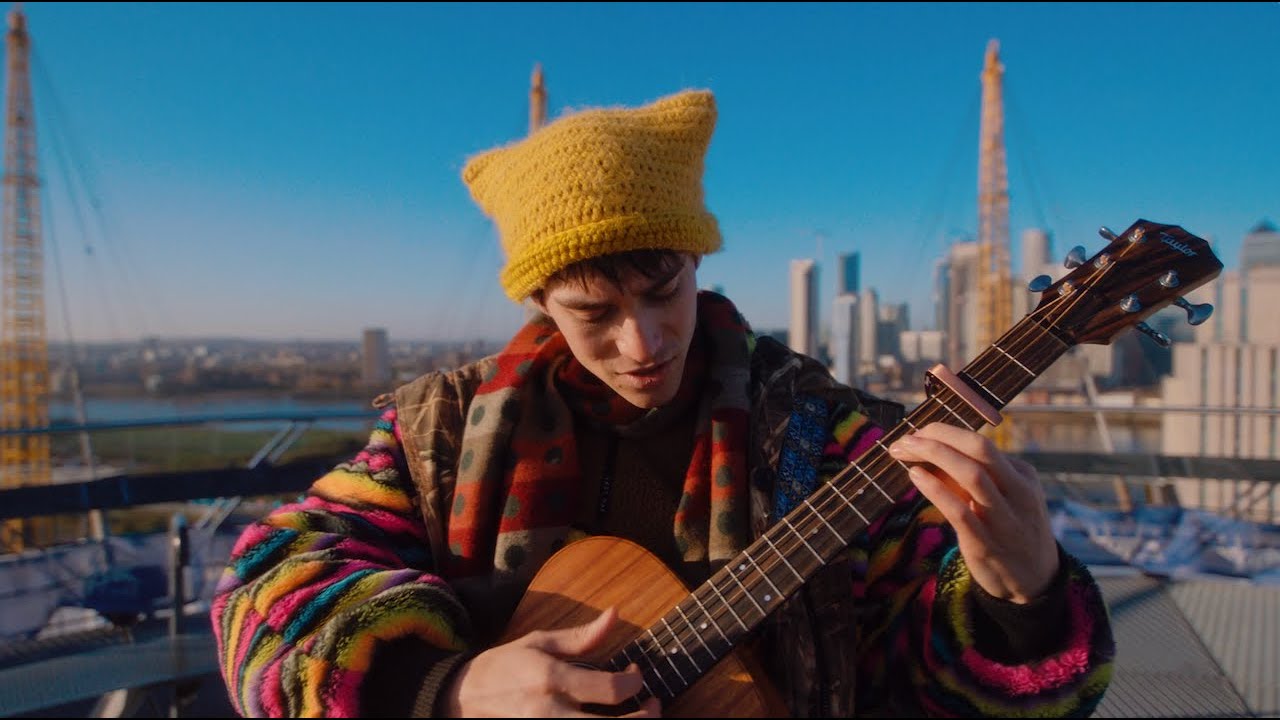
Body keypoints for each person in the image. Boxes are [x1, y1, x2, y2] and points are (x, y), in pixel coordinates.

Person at [211, 89, 1114, 718]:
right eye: (593, 313)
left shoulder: (833, 441)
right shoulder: (434, 437)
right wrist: (445, 688)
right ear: (538, 305)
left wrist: (1023, 599)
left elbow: (942, 687)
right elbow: (264, 593)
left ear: (699, 264)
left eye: (665, 290)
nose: (643, 343)